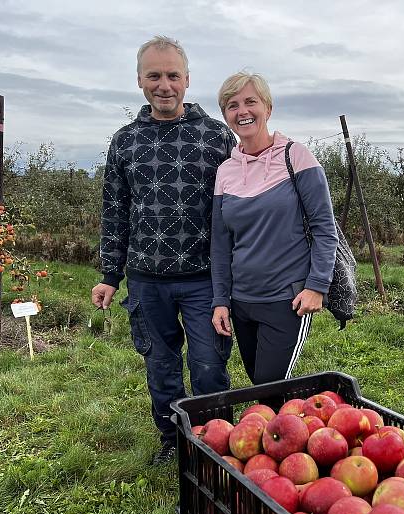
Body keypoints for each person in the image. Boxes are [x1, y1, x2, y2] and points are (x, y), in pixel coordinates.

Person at [92, 36, 235, 463]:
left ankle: (215, 444)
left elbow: (238, 209)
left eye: (173, 75)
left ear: (187, 80)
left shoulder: (216, 137)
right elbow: (114, 210)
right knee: (161, 368)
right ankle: (172, 441)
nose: (164, 84)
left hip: (204, 280)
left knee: (209, 367)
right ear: (140, 80)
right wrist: (109, 275)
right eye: (154, 75)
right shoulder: (125, 141)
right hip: (145, 281)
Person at [211, 72, 338, 385]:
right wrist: (220, 301)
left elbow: (324, 228)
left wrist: (317, 286)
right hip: (242, 302)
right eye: (232, 105)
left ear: (267, 108)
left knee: (270, 385)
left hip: (286, 300)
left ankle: (301, 427)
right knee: (260, 383)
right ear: (225, 115)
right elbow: (220, 243)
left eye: (250, 102)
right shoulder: (226, 171)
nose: (242, 111)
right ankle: (292, 428)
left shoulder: (296, 156)